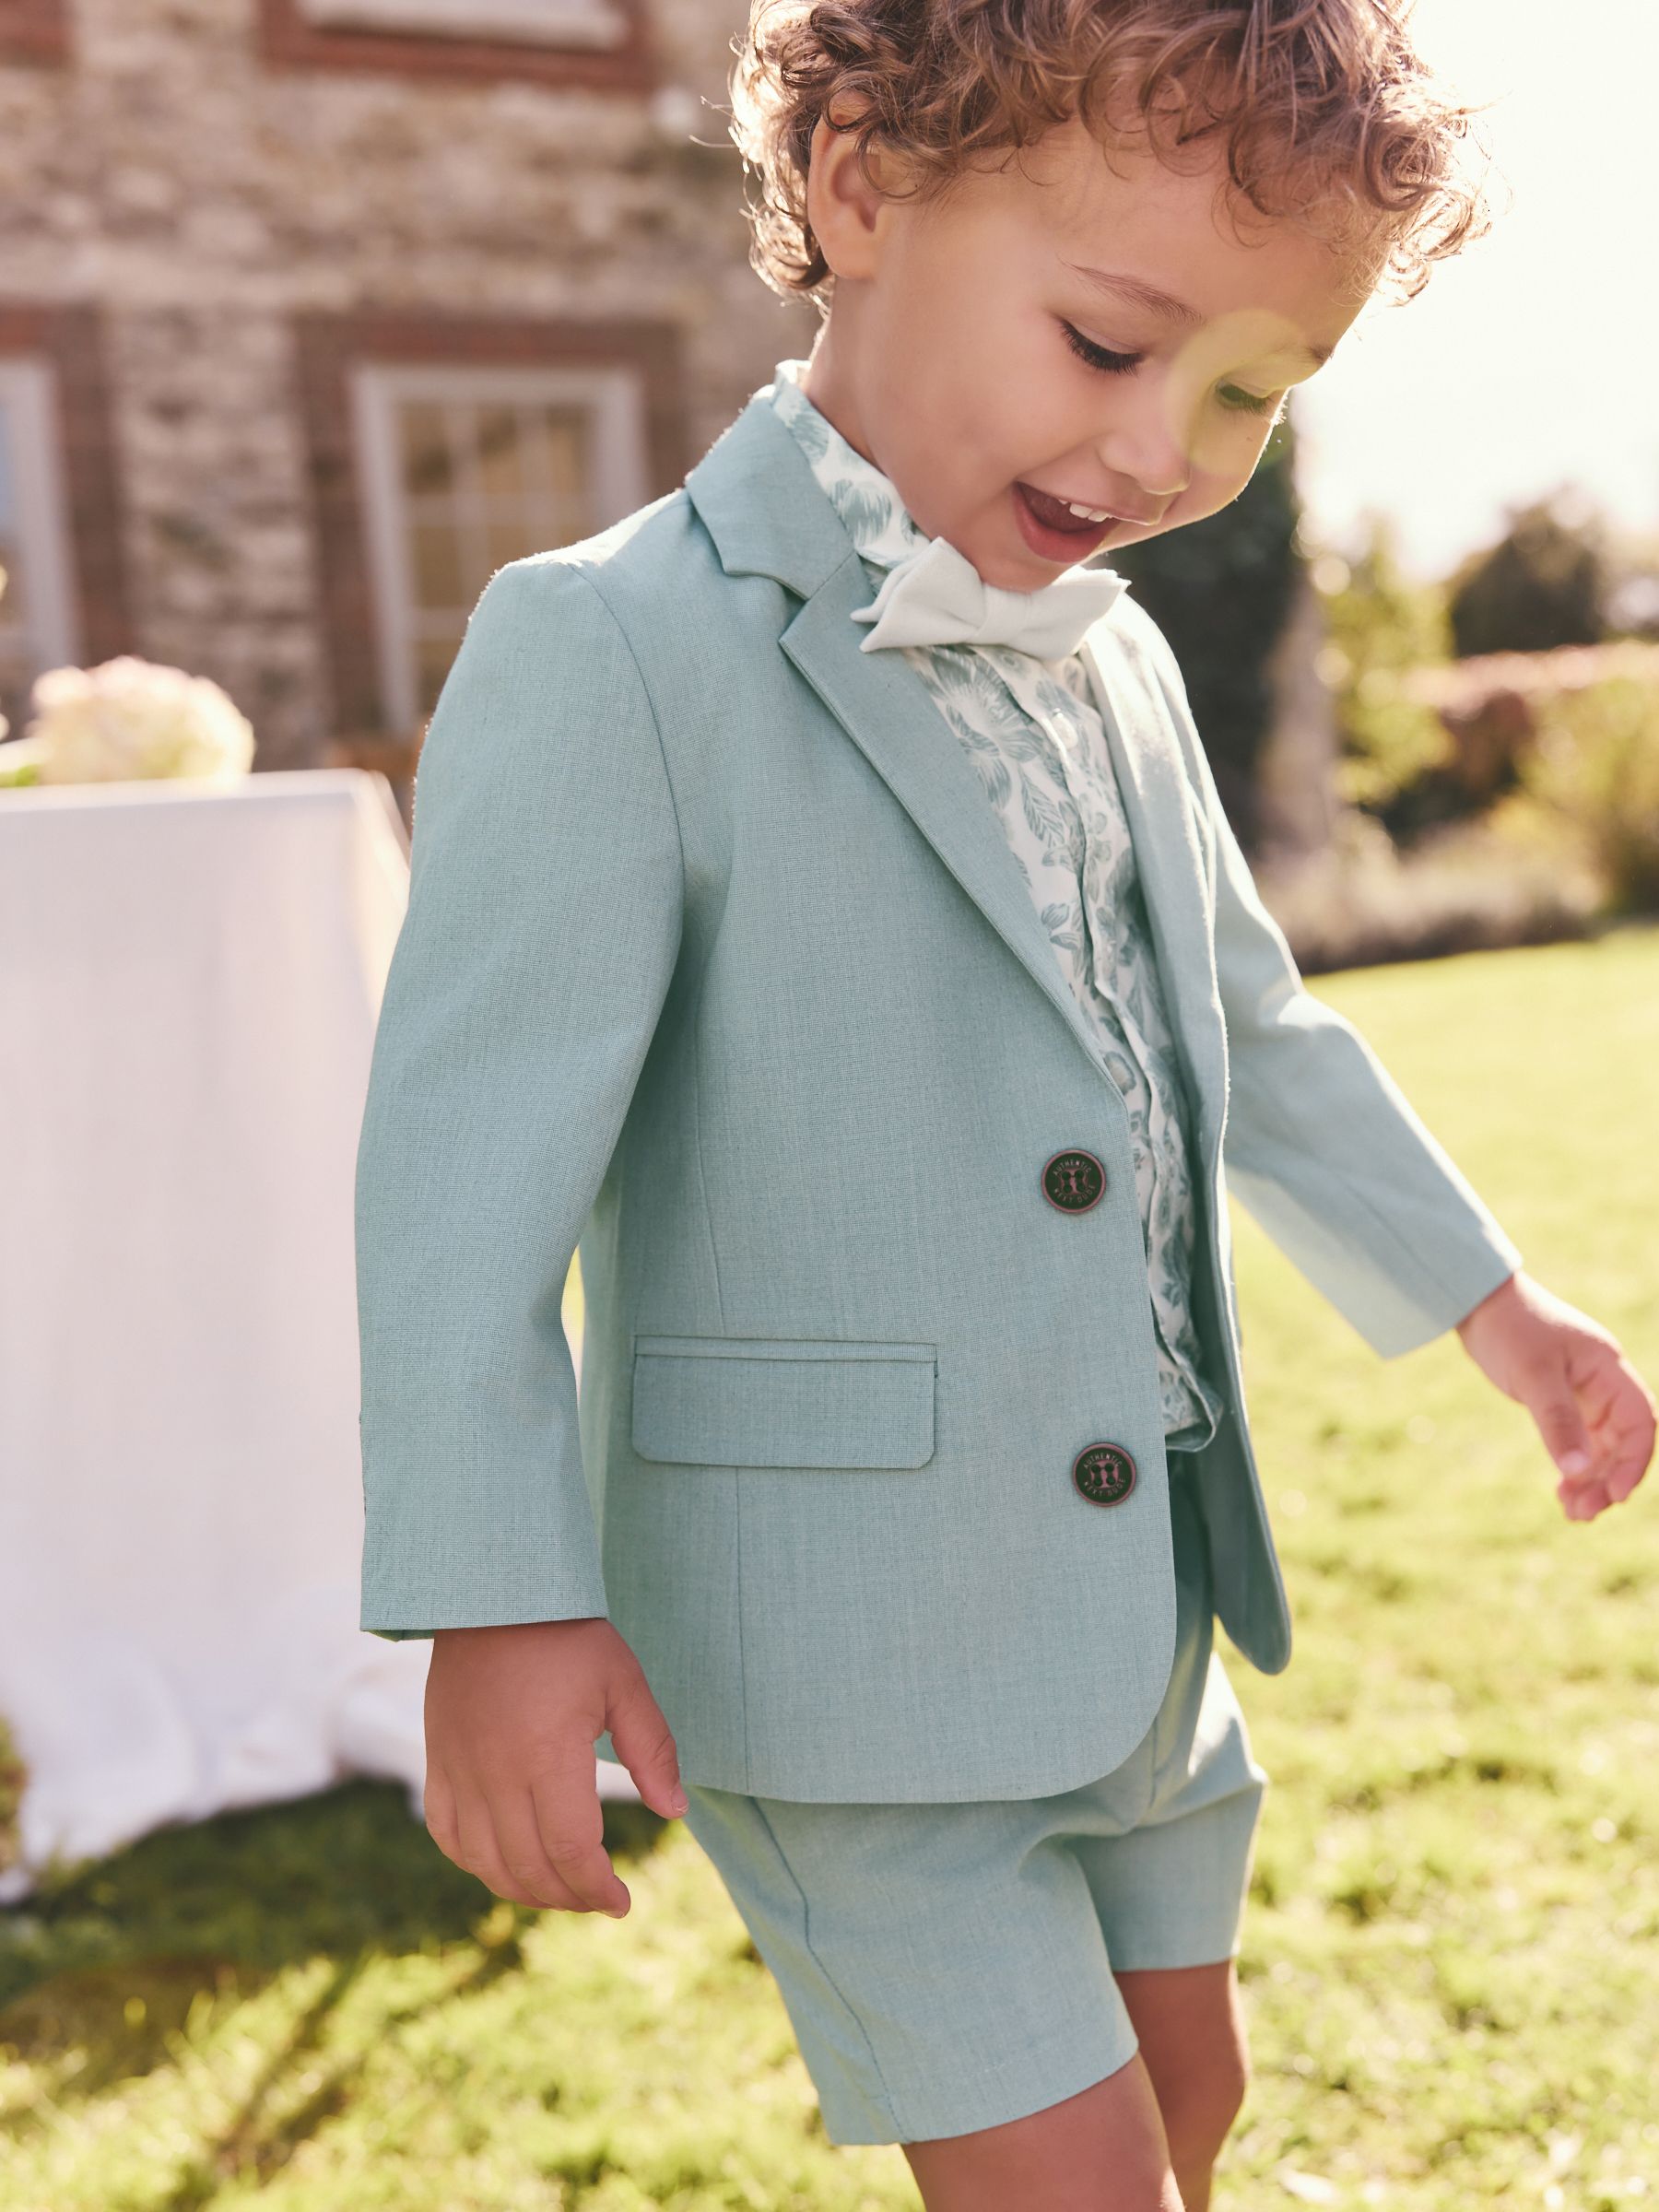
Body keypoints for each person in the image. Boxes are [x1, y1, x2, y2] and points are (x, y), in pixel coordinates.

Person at [352, 3, 1657, 2204]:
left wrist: (1494, 1307)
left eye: (1255, 395)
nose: (1168, 456)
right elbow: (461, 1190)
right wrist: (495, 1600)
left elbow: (1259, 1032)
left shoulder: (1116, 656)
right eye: (1110, 344)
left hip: (1134, 1607)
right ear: (861, 186)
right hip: (840, 1645)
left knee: (1193, 2109)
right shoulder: (615, 651)